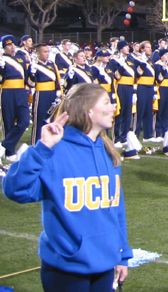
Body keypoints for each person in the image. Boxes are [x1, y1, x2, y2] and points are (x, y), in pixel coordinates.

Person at [2, 83, 132, 291]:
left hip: (105, 264)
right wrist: (42, 148)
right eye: (107, 102)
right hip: (65, 268)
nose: (114, 107)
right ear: (88, 110)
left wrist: (123, 254)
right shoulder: (55, 150)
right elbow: (15, 189)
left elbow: (116, 209)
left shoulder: (108, 152)